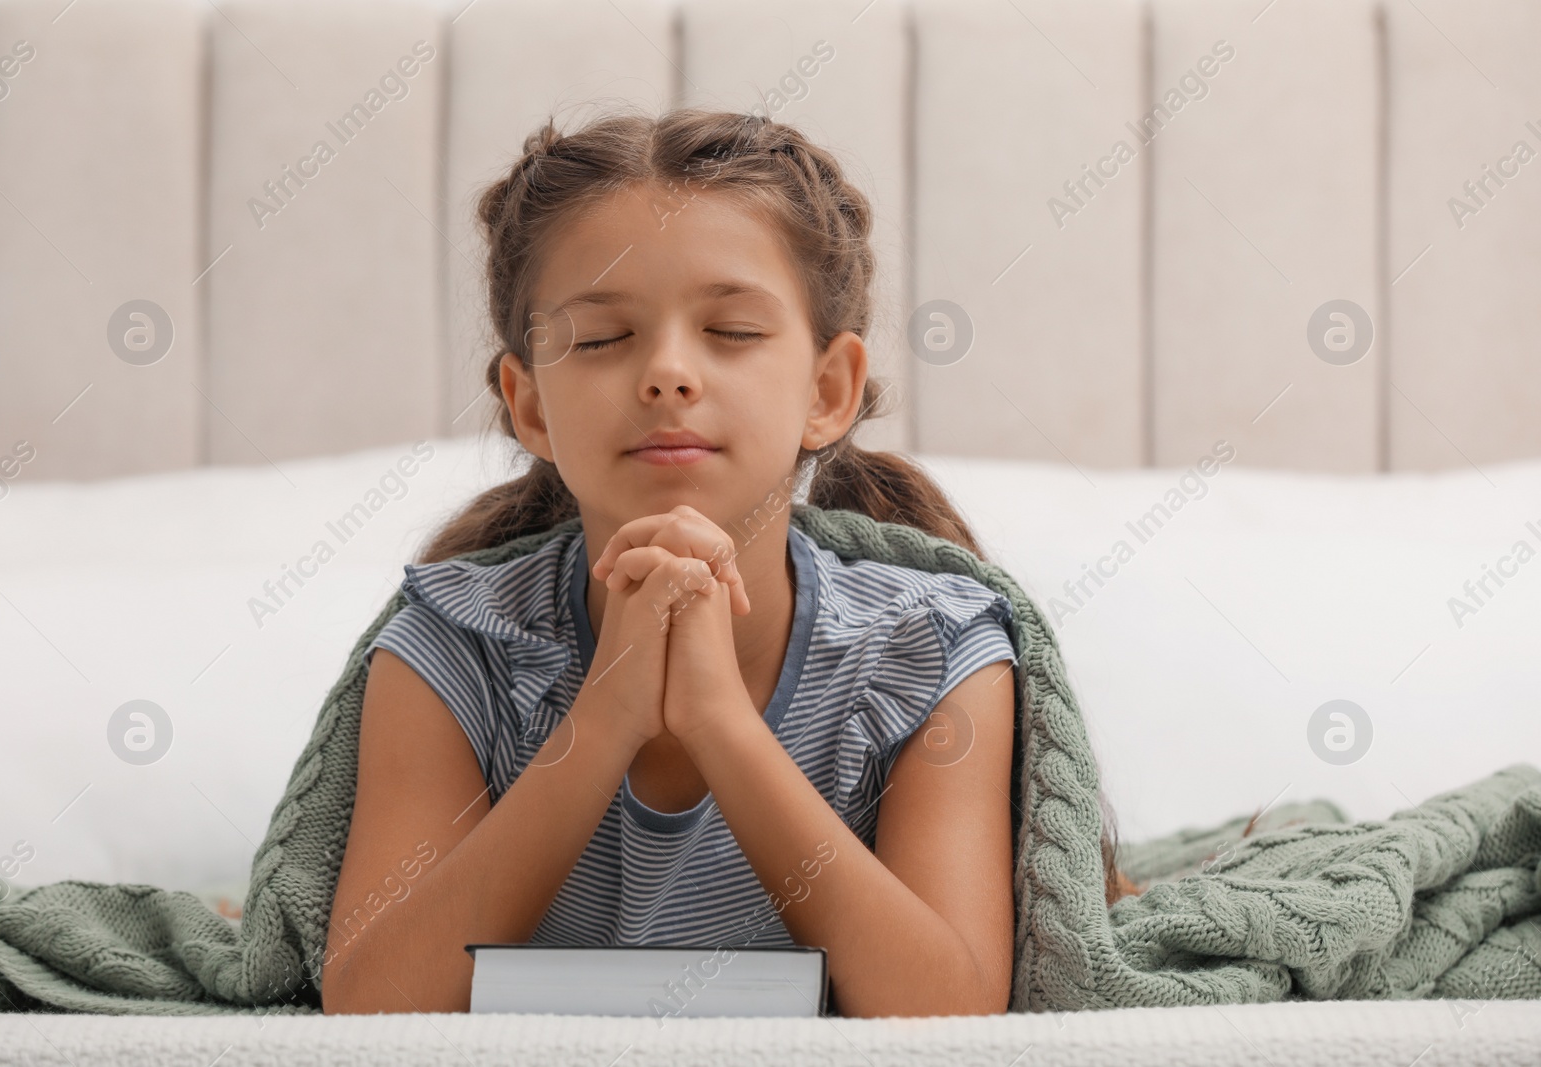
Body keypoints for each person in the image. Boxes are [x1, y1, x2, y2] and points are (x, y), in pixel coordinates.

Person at [321, 106, 1131, 1018]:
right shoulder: (453, 642)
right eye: (600, 339)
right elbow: (372, 1001)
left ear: (828, 391)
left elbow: (947, 1014)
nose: (668, 373)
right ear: (531, 405)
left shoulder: (931, 653)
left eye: (733, 332)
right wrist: (607, 715)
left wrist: (719, 723)